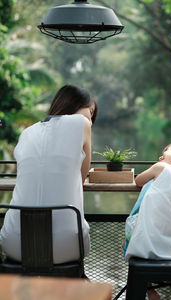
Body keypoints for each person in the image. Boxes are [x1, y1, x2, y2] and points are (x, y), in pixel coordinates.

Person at [0, 84, 98, 264]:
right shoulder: (81, 124)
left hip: (13, 242)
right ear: (74, 104)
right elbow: (81, 178)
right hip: (66, 246)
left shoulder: (26, 133)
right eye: (90, 113)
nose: (90, 121)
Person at [125, 142, 171, 300]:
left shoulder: (161, 168)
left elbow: (139, 181)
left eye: (166, 151)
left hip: (146, 242)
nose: (161, 156)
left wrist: (158, 164)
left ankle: (151, 291)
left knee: (131, 248)